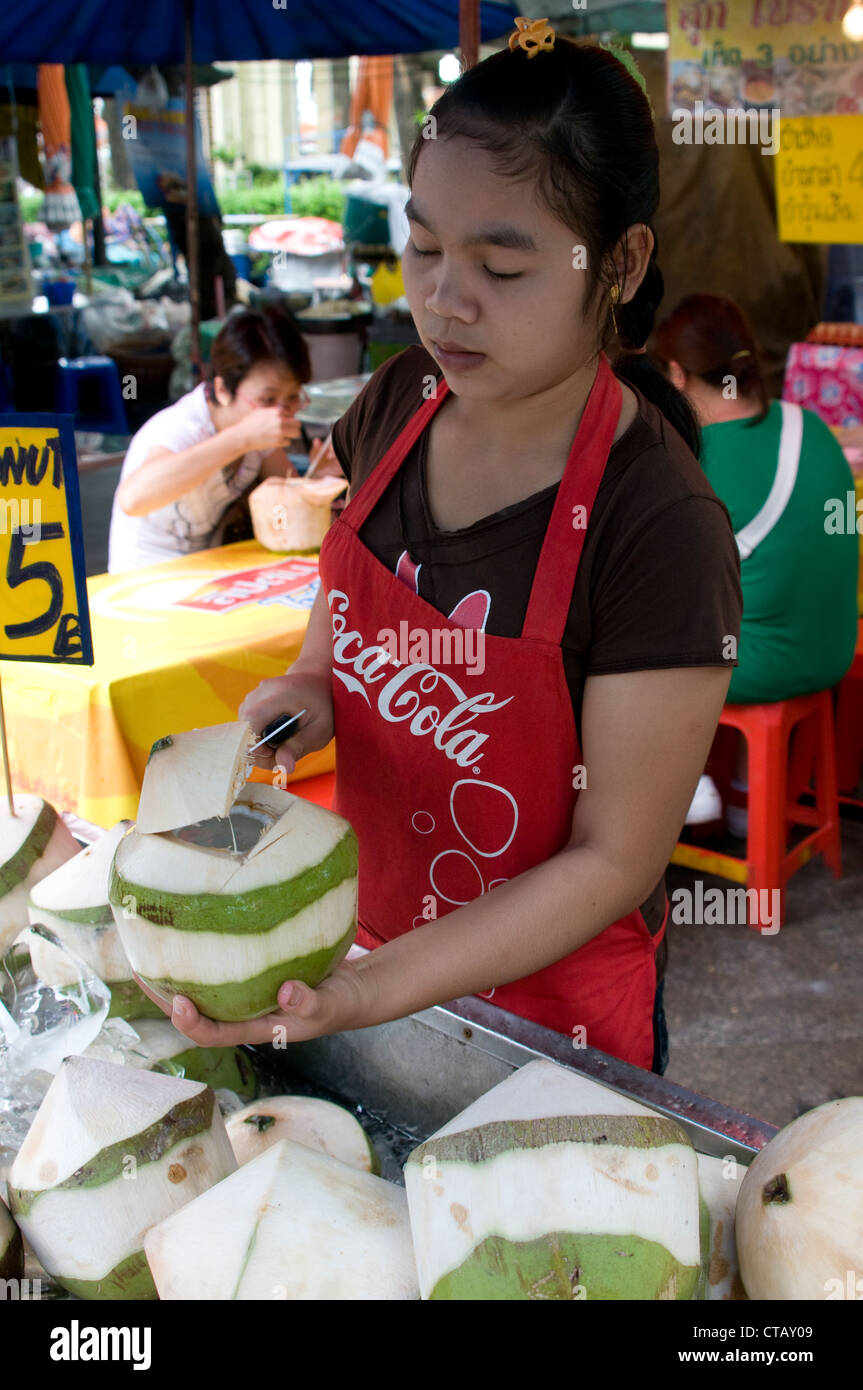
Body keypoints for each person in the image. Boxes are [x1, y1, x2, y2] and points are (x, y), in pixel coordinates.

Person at [138, 28, 742, 1073]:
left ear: (621, 261)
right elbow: (334, 636)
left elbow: (611, 858)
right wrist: (296, 703)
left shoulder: (658, 527)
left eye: (500, 265)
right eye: (421, 248)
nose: (443, 300)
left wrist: (374, 988)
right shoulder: (394, 405)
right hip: (345, 952)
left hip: (549, 1031)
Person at [653, 294, 859, 830]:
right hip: (832, 652)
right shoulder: (809, 425)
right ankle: (747, 792)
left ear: (675, 373)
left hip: (757, 667)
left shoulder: (694, 459)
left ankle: (678, 784)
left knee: (617, 631)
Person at [108, 305, 311, 572]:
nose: (280, 413)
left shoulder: (259, 433)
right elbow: (133, 498)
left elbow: (290, 495)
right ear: (222, 389)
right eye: (268, 399)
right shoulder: (180, 428)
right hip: (144, 580)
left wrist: (321, 481)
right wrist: (241, 439)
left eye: (293, 397)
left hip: (207, 574)